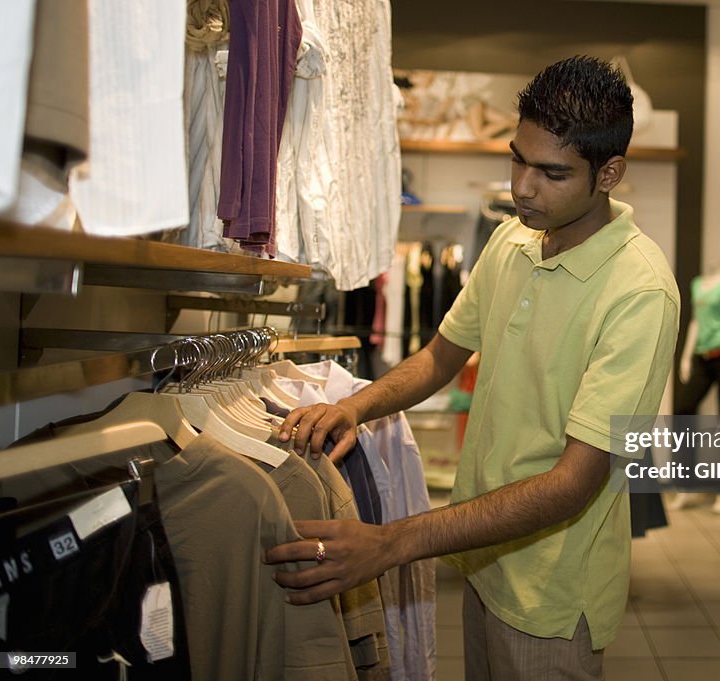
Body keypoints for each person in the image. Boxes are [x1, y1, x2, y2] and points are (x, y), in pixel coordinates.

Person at [266, 55, 680, 680]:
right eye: (517, 158)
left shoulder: (640, 293)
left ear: (609, 174)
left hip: (552, 593)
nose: (522, 188)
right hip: (483, 556)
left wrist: (393, 543)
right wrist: (356, 406)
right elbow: (439, 356)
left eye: (552, 172)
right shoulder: (512, 241)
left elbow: (574, 482)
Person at [671, 264, 720, 515]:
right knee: (682, 410)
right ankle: (686, 486)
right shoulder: (698, 284)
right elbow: (694, 322)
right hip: (702, 354)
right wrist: (686, 357)